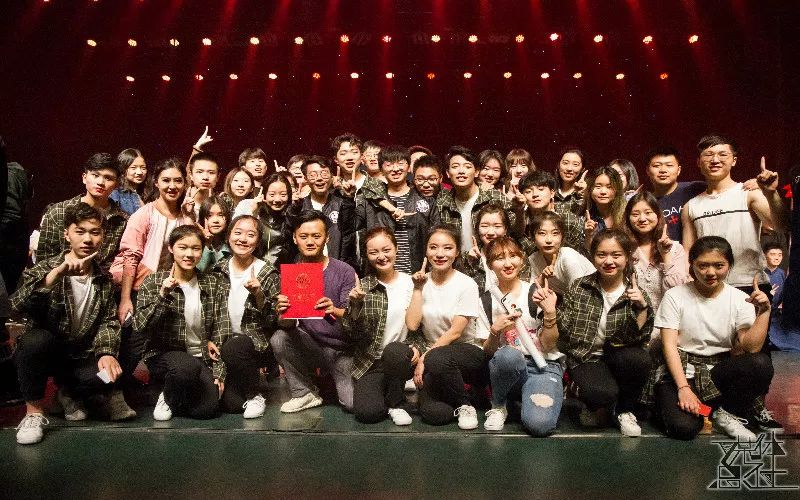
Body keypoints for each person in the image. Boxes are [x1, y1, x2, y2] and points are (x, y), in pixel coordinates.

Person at [12, 203, 136, 445]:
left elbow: (108, 321)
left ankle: (68, 393)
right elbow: (17, 306)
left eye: (95, 232)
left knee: (109, 376)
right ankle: (34, 414)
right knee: (35, 340)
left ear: (103, 236)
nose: (88, 239)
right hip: (50, 353)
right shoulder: (45, 269)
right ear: (67, 234)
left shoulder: (103, 278)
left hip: (81, 357)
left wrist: (106, 352)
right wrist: (53, 278)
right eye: (80, 231)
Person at [648, 236, 773, 440]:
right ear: (692, 265)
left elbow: (751, 348)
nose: (711, 272)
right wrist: (683, 388)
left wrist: (764, 312)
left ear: (729, 265)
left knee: (760, 363)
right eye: (703, 265)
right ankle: (699, 409)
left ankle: (725, 412)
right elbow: (668, 346)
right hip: (682, 372)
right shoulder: (675, 296)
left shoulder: (739, 299)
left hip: (718, 372)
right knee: (683, 428)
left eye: (719, 265)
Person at [558, 229, 654, 437]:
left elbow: (640, 340)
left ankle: (624, 410)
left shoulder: (636, 293)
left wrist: (641, 308)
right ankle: (598, 403)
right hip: (586, 356)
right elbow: (565, 331)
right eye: (601, 255)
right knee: (600, 393)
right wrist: (550, 311)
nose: (609, 261)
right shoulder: (579, 286)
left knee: (640, 359)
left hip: (618, 356)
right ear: (593, 257)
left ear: (627, 258)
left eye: (616, 255)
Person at [134, 225, 230, 421]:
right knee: (185, 368)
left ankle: (167, 392)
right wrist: (162, 295)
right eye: (182, 247)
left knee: (207, 410)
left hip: (199, 357)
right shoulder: (154, 281)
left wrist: (219, 370)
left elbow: (222, 326)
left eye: (195, 248)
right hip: (164, 356)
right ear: (171, 248)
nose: (189, 254)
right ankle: (166, 396)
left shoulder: (212, 282)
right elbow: (140, 325)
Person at [272, 211, 357, 413]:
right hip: (310, 345)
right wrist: (283, 314)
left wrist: (334, 309)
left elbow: (353, 319)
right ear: (295, 238)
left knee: (352, 404)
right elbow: (287, 325)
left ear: (327, 238)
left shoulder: (344, 271)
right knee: (279, 338)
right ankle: (304, 392)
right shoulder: (291, 274)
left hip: (340, 349)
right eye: (304, 236)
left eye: (316, 236)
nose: (310, 242)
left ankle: (328, 379)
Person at [405, 226, 489, 429]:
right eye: (433, 247)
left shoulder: (466, 284)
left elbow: (455, 332)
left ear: (457, 252)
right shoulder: (419, 283)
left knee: (437, 357)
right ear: (426, 251)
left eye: (447, 248)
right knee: (435, 414)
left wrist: (424, 358)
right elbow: (412, 324)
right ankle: (457, 394)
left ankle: (465, 405)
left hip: (467, 353)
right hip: (435, 357)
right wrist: (417, 289)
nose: (440, 254)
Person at [481, 236, 563, 436]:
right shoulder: (486, 299)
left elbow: (548, 344)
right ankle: (499, 405)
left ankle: (523, 401)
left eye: (513, 256)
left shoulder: (535, 292)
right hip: (508, 369)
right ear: (490, 265)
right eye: (499, 258)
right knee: (509, 355)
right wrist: (495, 331)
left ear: (522, 259)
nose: (508, 263)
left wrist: (550, 313)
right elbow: (487, 352)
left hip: (542, 366)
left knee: (540, 425)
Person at [342, 227, 419, 425]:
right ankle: (391, 395)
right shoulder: (362, 287)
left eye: (386, 250)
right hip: (372, 362)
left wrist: (419, 348)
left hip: (403, 359)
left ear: (396, 249)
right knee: (367, 414)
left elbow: (422, 325)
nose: (381, 257)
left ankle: (396, 402)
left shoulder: (412, 283)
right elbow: (354, 335)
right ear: (367, 256)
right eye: (373, 252)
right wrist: (355, 306)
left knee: (394, 351)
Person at [212, 215, 280, 419]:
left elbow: (274, 320)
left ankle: (255, 394)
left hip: (256, 344)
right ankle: (246, 382)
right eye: (238, 233)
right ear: (228, 236)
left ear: (257, 242)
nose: (243, 239)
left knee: (236, 347)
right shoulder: (218, 270)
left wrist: (259, 295)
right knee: (231, 405)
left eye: (250, 235)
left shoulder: (268, 273)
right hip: (222, 342)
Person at [112, 158, 193, 325]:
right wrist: (125, 299)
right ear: (156, 182)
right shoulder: (144, 214)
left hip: (167, 289)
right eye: (166, 180)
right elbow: (130, 258)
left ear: (185, 183)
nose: (172, 186)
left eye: (178, 181)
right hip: (138, 289)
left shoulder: (185, 217)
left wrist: (189, 217)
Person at [37, 153, 128, 269]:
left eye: (108, 178)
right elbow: (43, 262)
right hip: (61, 277)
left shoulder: (122, 221)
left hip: (104, 279)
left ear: (116, 185)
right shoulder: (58, 212)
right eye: (95, 175)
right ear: (84, 178)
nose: (100, 182)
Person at [361, 146, 434, 274]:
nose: (395, 169)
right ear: (381, 169)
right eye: (389, 165)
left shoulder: (425, 198)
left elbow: (435, 236)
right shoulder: (370, 201)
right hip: (382, 274)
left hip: (418, 273)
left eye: (400, 163)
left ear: (409, 167)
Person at [431, 146, 518, 253]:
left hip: (488, 260)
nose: (461, 171)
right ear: (448, 173)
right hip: (456, 261)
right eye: (455, 166)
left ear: (476, 172)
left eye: (467, 166)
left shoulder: (495, 197)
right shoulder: (442, 201)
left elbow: (516, 232)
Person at [624, 192, 689, 314]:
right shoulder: (624, 249)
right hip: (634, 320)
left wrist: (666, 255)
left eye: (648, 213)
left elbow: (678, 292)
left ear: (658, 215)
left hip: (668, 320)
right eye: (635, 214)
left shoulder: (675, 249)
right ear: (628, 218)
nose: (642, 219)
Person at [296, 156, 357, 270]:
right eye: (313, 175)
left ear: (332, 176)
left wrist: (349, 199)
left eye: (324, 174)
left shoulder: (343, 205)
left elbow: (349, 239)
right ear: (305, 179)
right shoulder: (298, 207)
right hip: (304, 271)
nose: (319, 178)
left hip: (336, 269)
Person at [644, 146, 706, 243]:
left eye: (669, 165)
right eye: (656, 166)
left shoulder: (696, 189)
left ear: (679, 170)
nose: (663, 170)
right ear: (648, 171)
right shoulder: (645, 201)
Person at [527, 212, 595, 297]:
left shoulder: (568, 257)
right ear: (533, 238)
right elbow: (532, 293)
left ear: (562, 237)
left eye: (555, 233)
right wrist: (542, 278)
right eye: (542, 233)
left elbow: (580, 295)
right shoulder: (534, 259)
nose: (549, 240)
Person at [519, 170, 586, 255]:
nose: (535, 194)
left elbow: (576, 255)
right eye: (528, 191)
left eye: (541, 189)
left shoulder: (569, 220)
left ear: (552, 193)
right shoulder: (518, 220)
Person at [235, 173, 293, 265]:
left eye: (283, 194)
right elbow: (237, 234)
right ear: (264, 194)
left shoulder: (291, 213)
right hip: (250, 265)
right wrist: (253, 211)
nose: (277, 199)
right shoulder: (247, 205)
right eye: (272, 194)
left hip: (281, 269)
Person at [460, 203, 518, 291]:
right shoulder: (467, 258)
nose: (490, 232)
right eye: (484, 226)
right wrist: (471, 264)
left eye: (497, 226)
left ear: (505, 229)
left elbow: (523, 289)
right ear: (477, 229)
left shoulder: (517, 255)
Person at [582, 166, 626, 251]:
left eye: (609, 187)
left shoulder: (627, 213)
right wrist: (589, 236)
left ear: (617, 189)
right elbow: (587, 253)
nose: (603, 192)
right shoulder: (584, 216)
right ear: (590, 189)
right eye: (598, 187)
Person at [196, 196, 231, 273]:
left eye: (220, 215)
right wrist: (207, 244)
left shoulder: (231, 244)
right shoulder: (196, 241)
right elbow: (198, 271)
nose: (215, 220)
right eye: (209, 215)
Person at [110, 148, 147, 216]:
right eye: (133, 168)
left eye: (143, 168)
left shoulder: (150, 193)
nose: (139, 172)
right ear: (123, 169)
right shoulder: (115, 193)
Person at [554, 147, 587, 214]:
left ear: (582, 169)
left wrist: (584, 194)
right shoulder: (550, 192)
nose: (569, 168)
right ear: (558, 165)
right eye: (565, 163)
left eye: (575, 164)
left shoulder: (588, 194)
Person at [763, 242, 785, 309]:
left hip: (776, 312)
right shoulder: (759, 273)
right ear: (764, 256)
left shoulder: (782, 273)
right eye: (773, 254)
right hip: (760, 311)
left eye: (779, 255)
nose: (777, 258)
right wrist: (768, 295)